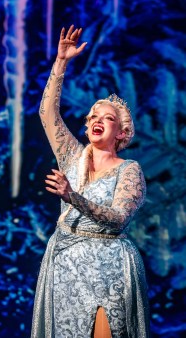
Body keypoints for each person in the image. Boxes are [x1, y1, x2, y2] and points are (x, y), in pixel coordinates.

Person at [31, 26, 150, 338]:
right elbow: (47, 113)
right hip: (66, 265)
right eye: (93, 116)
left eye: (107, 118)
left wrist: (73, 197)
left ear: (121, 133)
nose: (97, 120)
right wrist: (61, 62)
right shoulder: (72, 157)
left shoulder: (129, 169)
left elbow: (118, 218)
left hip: (109, 266)